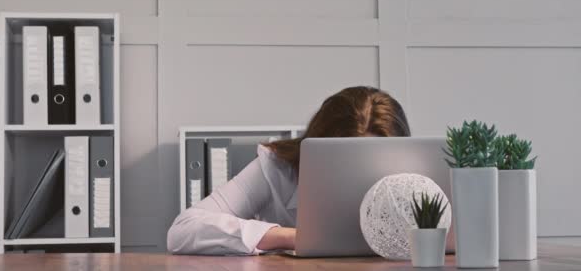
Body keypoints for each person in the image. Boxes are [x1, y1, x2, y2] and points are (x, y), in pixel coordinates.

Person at [167, 86, 411, 255]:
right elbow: (183, 230)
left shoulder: (414, 178)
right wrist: (295, 237)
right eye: (347, 162)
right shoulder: (277, 167)